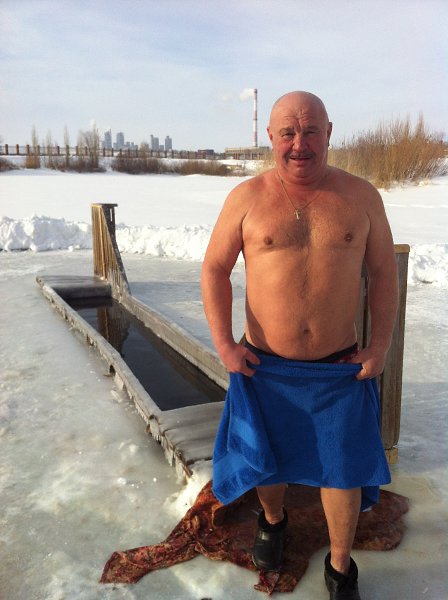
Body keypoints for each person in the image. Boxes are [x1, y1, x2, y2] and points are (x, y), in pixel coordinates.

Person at [201, 91, 398, 600]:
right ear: (271, 137)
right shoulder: (246, 198)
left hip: (339, 369)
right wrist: (224, 343)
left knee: (342, 471)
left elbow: (383, 272)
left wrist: (379, 345)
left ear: (328, 133)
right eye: (288, 132)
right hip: (263, 366)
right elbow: (215, 269)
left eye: (310, 131)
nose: (299, 144)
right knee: (267, 460)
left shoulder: (361, 196)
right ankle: (273, 520)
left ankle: (340, 566)